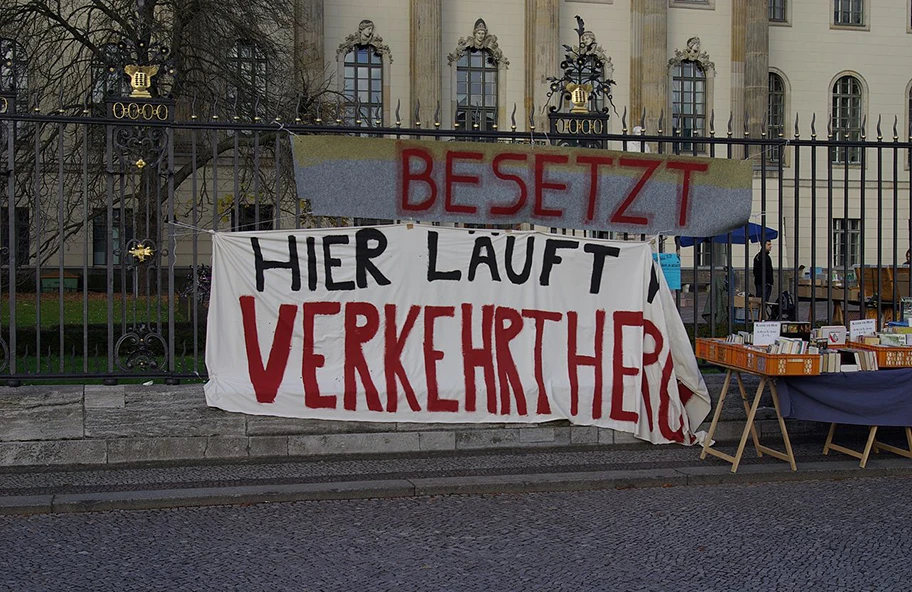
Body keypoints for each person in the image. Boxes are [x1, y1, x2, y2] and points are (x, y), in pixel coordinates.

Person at [753, 239, 774, 306]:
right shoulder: (759, 257)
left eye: (770, 244)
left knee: (765, 302)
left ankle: (762, 315)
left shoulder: (766, 257)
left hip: (766, 283)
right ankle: (761, 315)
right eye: (768, 244)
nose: (770, 246)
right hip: (762, 283)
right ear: (763, 245)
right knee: (761, 302)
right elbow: (756, 271)